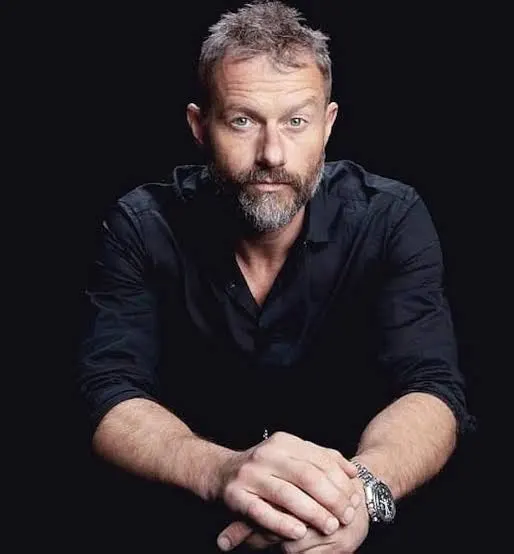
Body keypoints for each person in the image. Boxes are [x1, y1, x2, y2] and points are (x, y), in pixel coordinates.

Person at [74, 1, 476, 552]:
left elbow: (431, 389)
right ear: (200, 126)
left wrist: (357, 494)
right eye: (242, 121)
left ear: (327, 126)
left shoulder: (391, 219)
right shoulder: (141, 226)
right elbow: (107, 393)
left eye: (296, 121)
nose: (271, 154)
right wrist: (221, 472)